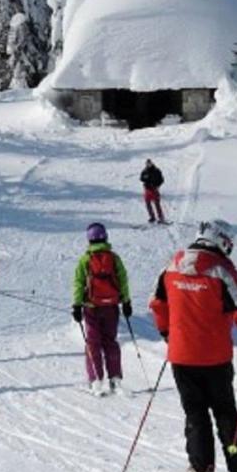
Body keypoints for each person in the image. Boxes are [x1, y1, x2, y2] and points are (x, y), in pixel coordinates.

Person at [150, 218, 237, 472]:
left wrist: (168, 333)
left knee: (195, 413)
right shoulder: (223, 270)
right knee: (226, 412)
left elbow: (156, 303)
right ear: (221, 241)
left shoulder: (171, 266)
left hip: (181, 355)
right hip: (215, 357)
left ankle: (202, 468)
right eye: (229, 244)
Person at [71, 222, 133, 396]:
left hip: (91, 308)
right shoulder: (114, 258)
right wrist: (126, 301)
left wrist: (76, 305)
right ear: (105, 237)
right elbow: (123, 279)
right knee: (110, 342)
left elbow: (78, 282)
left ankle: (96, 380)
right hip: (111, 306)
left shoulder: (85, 259)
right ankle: (115, 379)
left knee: (93, 343)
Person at [140, 159, 166, 224]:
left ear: (152, 163)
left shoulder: (157, 171)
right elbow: (141, 178)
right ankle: (152, 217)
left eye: (149, 164)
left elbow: (162, 179)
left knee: (157, 204)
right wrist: (145, 178)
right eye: (147, 164)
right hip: (147, 189)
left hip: (154, 189)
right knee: (147, 204)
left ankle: (161, 217)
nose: (148, 165)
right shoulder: (144, 171)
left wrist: (158, 186)